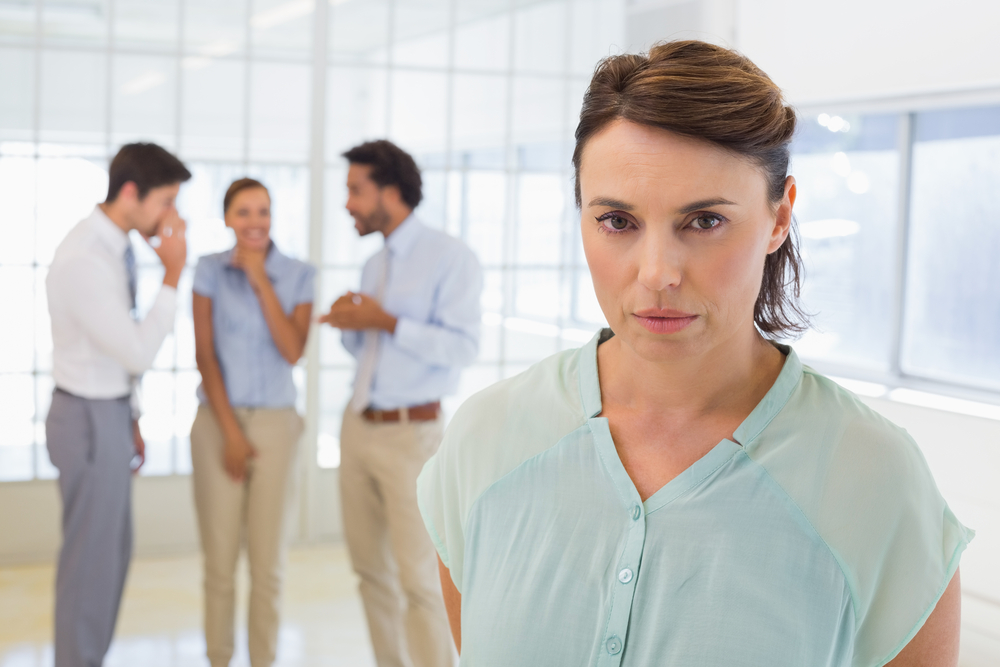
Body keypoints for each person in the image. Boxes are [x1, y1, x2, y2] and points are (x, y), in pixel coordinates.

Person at [417, 41, 973, 667]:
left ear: (779, 216)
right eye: (617, 222)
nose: (656, 274)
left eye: (704, 221)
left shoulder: (874, 478)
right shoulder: (488, 440)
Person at [318, 140, 482, 667]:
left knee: (420, 579)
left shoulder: (450, 257)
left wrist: (386, 321)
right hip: (358, 425)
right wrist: (350, 322)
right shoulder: (374, 264)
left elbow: (462, 347)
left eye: (355, 190)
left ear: (390, 192)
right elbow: (368, 350)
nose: (347, 203)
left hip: (412, 436)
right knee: (370, 572)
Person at [45, 142, 191, 667]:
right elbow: (135, 349)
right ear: (132, 192)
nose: (172, 216)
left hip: (107, 411)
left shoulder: (116, 244)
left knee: (109, 557)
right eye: (166, 201)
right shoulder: (86, 257)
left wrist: (129, 417)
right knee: (90, 564)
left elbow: (116, 359)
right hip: (85, 416)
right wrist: (174, 273)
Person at [190, 178, 314, 667]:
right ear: (227, 219)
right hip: (216, 424)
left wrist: (261, 280)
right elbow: (204, 356)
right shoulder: (208, 271)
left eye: (263, 211)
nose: (255, 222)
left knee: (269, 568)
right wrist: (231, 432)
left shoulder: (299, 274)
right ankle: (218, 659)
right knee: (219, 566)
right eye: (243, 212)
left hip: (278, 427)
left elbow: (293, 350)